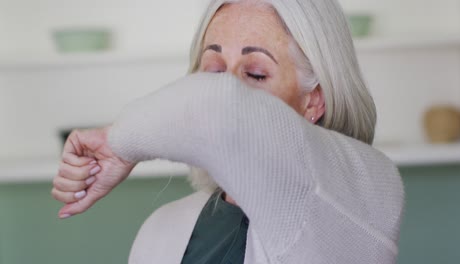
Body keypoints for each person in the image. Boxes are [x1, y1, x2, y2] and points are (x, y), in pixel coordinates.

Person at [51, 0, 405, 263]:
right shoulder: (162, 228)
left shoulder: (359, 198)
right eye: (215, 70)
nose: (230, 88)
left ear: (313, 102)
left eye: (255, 74)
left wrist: (119, 143)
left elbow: (221, 108)